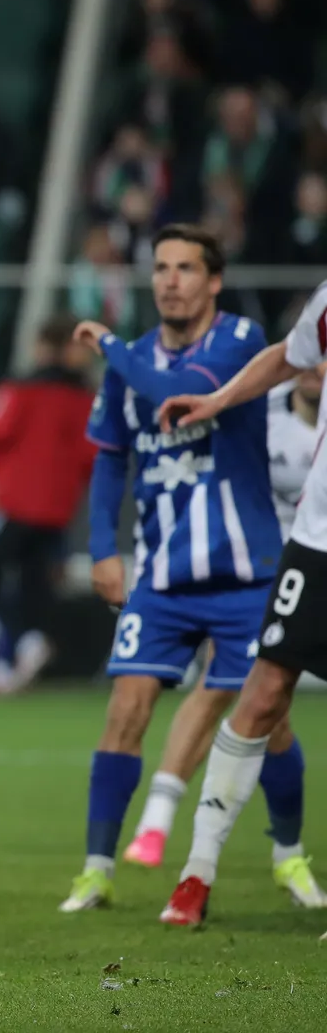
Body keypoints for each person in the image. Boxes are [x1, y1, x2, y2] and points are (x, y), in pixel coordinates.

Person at [57, 225, 297, 914]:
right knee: (125, 711)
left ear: (213, 281)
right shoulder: (131, 360)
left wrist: (108, 346)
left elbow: (175, 387)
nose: (169, 281)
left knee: (270, 721)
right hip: (162, 578)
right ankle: (96, 870)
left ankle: (288, 854)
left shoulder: (239, 340)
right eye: (161, 268)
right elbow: (111, 456)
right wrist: (104, 548)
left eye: (186, 268)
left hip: (245, 574)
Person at [148, 297, 327, 926]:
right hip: (318, 542)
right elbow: (290, 355)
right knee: (263, 693)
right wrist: (220, 399)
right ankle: (196, 875)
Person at [0, 317, 98, 695]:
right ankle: (16, 652)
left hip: (19, 502)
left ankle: (22, 640)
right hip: (58, 507)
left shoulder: (19, 390)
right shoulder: (85, 398)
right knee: (34, 583)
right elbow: (91, 453)